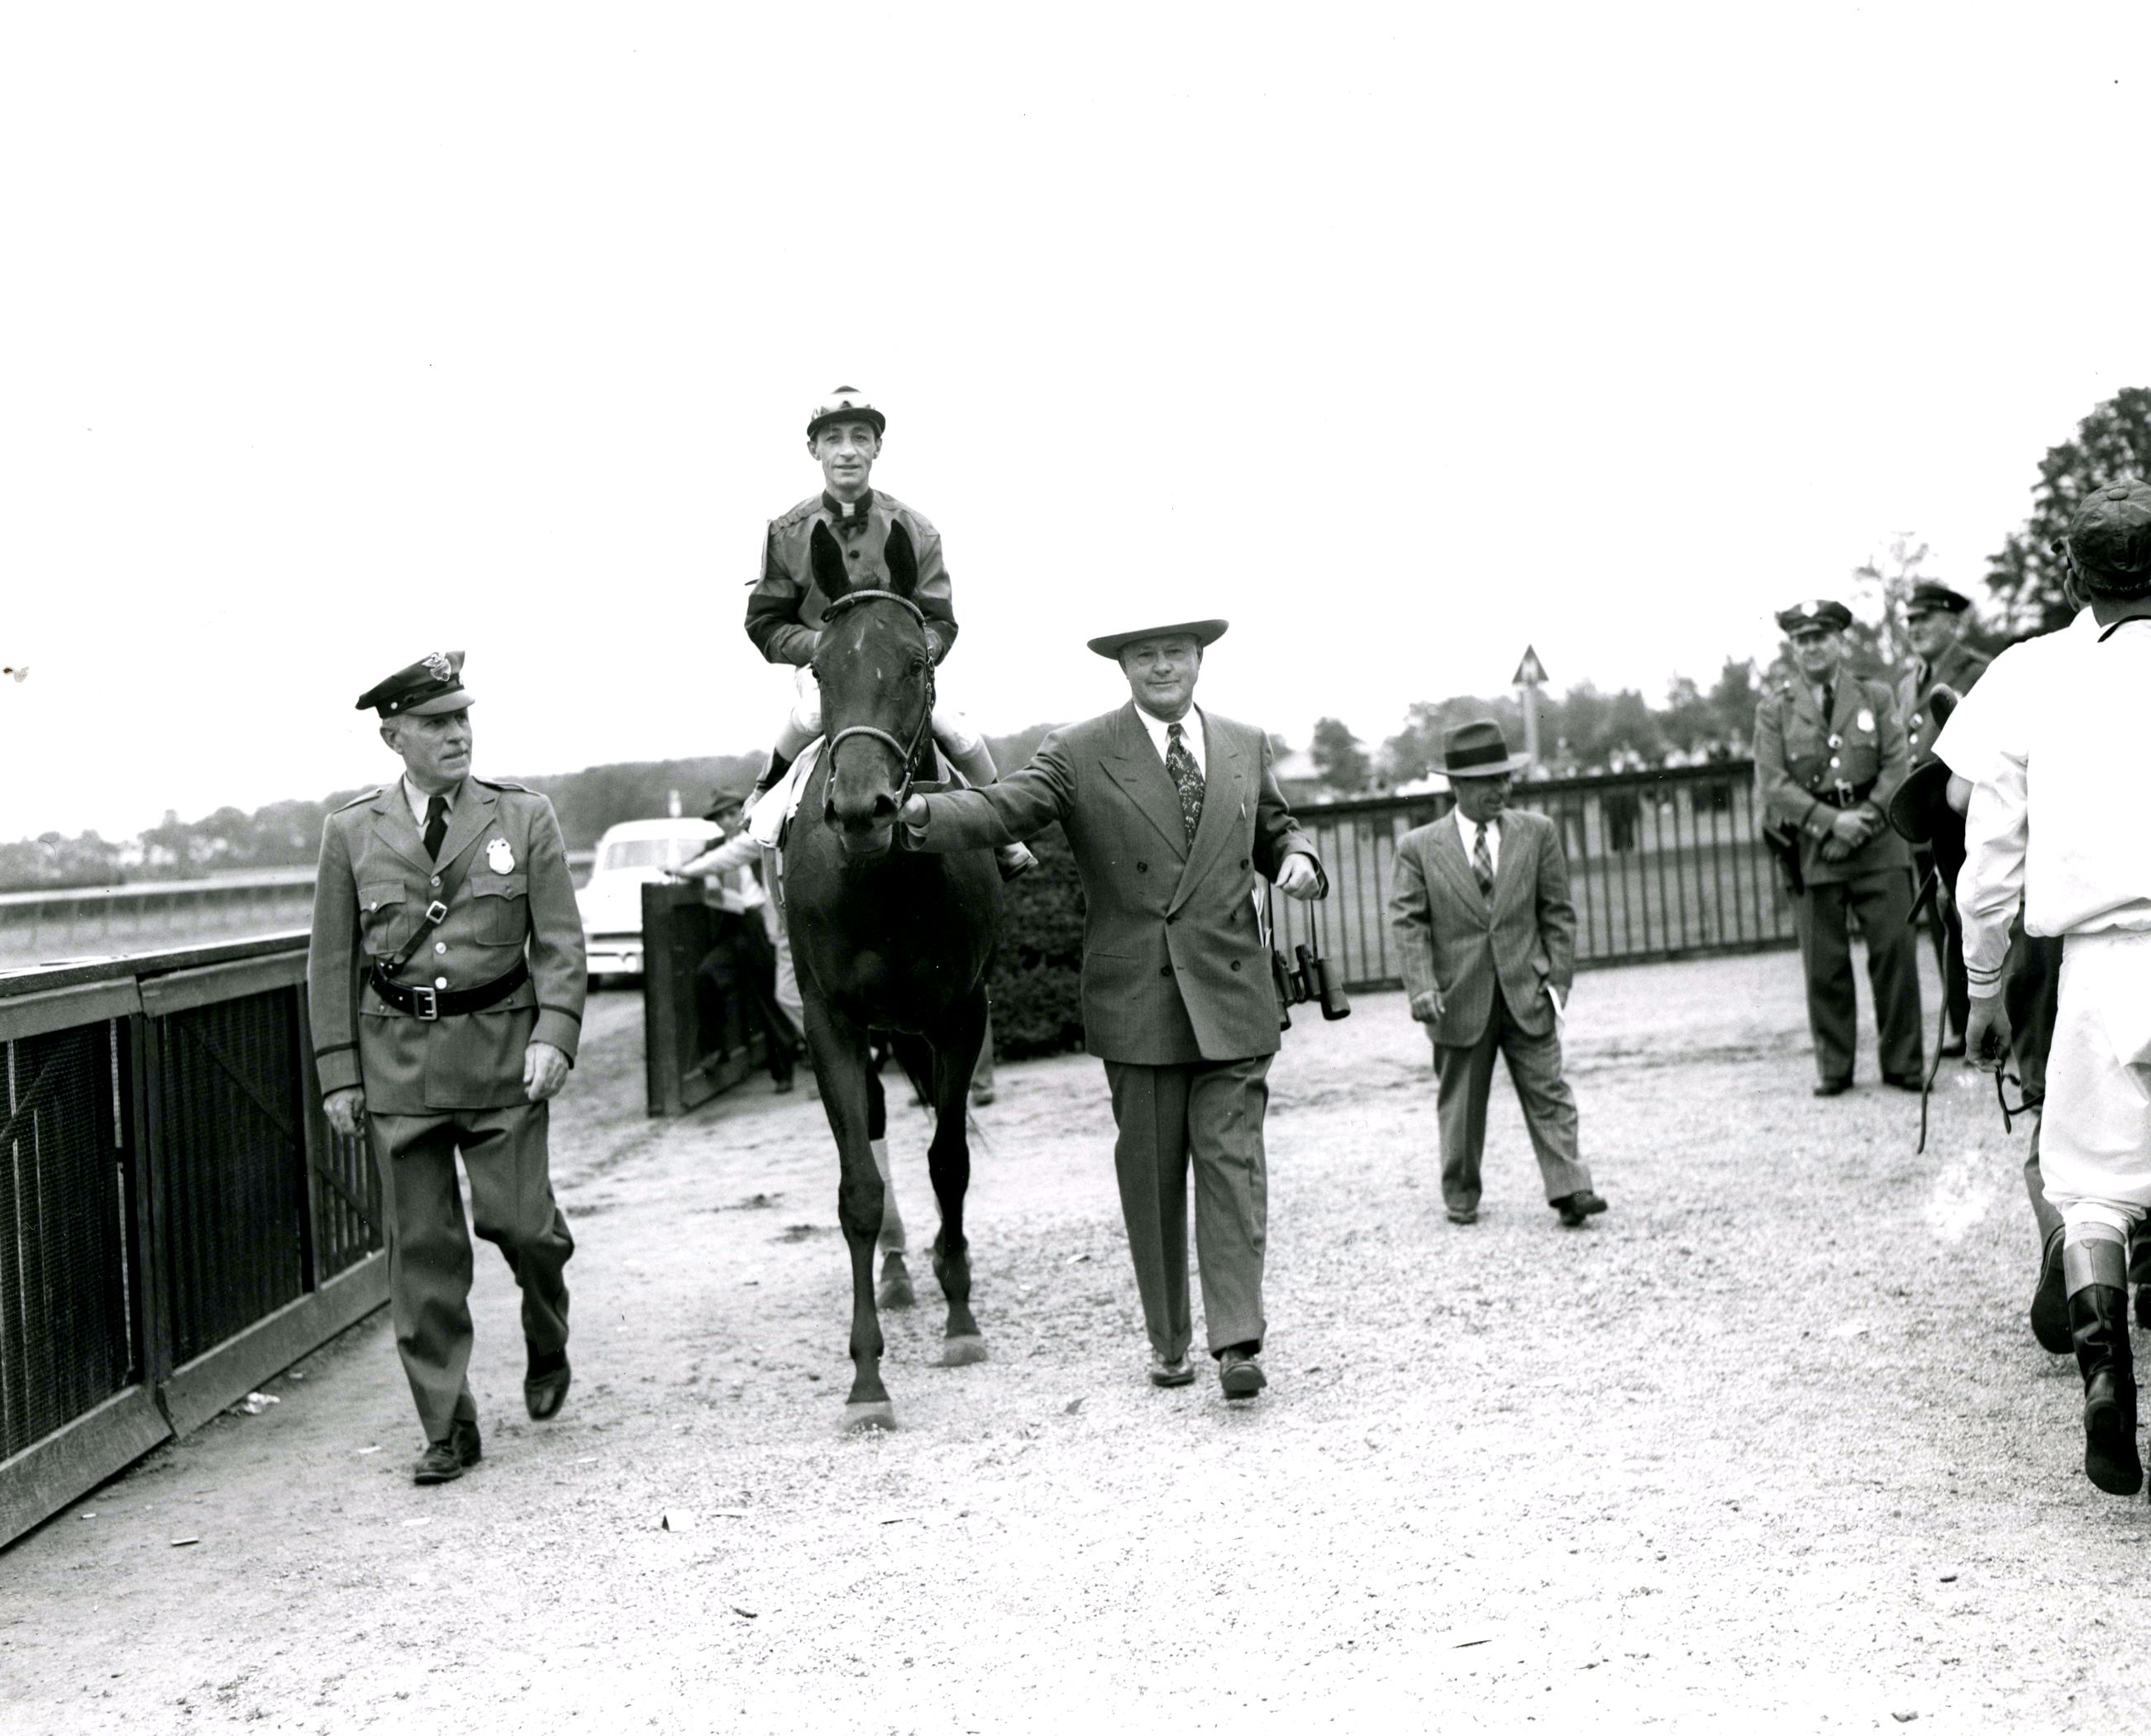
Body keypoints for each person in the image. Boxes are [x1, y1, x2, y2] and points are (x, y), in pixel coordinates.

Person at [895, 617, 1326, 1400]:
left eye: (1176, 653)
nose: (1163, 666)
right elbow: (1007, 808)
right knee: (1153, 1175)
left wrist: (1297, 859)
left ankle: (1238, 1342)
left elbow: (1274, 827)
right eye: (1144, 655)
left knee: (1233, 1167)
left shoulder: (1244, 742)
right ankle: (1169, 1342)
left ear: (1200, 660)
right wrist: (919, 817)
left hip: (1233, 994)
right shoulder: (1082, 750)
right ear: (1123, 667)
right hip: (1141, 998)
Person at [307, 653, 585, 1486]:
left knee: (524, 1227)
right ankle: (447, 1423)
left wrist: (556, 1035)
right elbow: (330, 963)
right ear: (395, 737)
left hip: (505, 1057)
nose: (457, 732)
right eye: (436, 723)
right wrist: (338, 1075)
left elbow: (562, 942)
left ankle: (547, 1328)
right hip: (398, 1068)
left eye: (462, 718)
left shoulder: (523, 817)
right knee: (422, 1253)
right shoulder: (350, 832)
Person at [1947, 479, 2151, 1498]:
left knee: (2090, 1192)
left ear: (2074, 573)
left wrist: (1983, 987)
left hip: (2099, 963)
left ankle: (2106, 1380)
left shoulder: (2030, 672)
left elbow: (1987, 856)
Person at [742, 386, 1033, 881]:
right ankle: (765, 794)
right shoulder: (786, 531)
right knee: (811, 713)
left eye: (861, 437)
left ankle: (1004, 832)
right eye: (833, 439)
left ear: (878, 447)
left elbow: (941, 619)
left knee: (956, 727)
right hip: (827, 674)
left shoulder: (916, 529)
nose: (848, 450)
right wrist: (824, 648)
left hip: (901, 672)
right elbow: (764, 623)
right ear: (815, 450)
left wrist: (912, 652)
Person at [1387, 718, 1608, 1228]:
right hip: (1457, 997)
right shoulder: (1418, 847)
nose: (1501, 788)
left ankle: (1572, 1189)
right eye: (1488, 780)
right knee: (1461, 1104)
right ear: (1456, 786)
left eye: (1505, 777)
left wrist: (1558, 981)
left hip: (1527, 990)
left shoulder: (1537, 833)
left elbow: (1558, 911)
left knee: (1550, 1092)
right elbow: (1408, 921)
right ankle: (1461, 1193)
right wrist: (1421, 986)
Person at [1753, 599, 1924, 1095]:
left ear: (1839, 641)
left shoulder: (1875, 696)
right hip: (1813, 845)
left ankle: (1903, 1064)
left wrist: (1862, 821)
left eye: (1820, 637)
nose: (1811, 647)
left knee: (1894, 955)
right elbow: (1774, 782)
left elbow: (1897, 766)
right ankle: (1835, 1067)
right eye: (1802, 639)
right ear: (1793, 647)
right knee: (1824, 965)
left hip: (1876, 840)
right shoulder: (1774, 709)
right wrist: (1830, 824)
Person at [1896, 579, 1991, 1053]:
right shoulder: (1906, 683)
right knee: (1944, 924)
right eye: (1910, 620)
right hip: (1929, 825)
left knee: (1981, 917)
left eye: (1925, 618)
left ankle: (1997, 1023)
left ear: (1952, 622)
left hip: (1969, 821)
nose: (1915, 628)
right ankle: (1961, 1024)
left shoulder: (1976, 671)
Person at [679, 792, 799, 1092]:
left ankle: (783, 1072)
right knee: (708, 974)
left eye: (732, 814)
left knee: (769, 998)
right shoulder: (715, 848)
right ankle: (716, 1048)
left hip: (760, 922)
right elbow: (700, 864)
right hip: (733, 926)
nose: (727, 822)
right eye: (720, 818)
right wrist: (684, 872)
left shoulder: (760, 838)